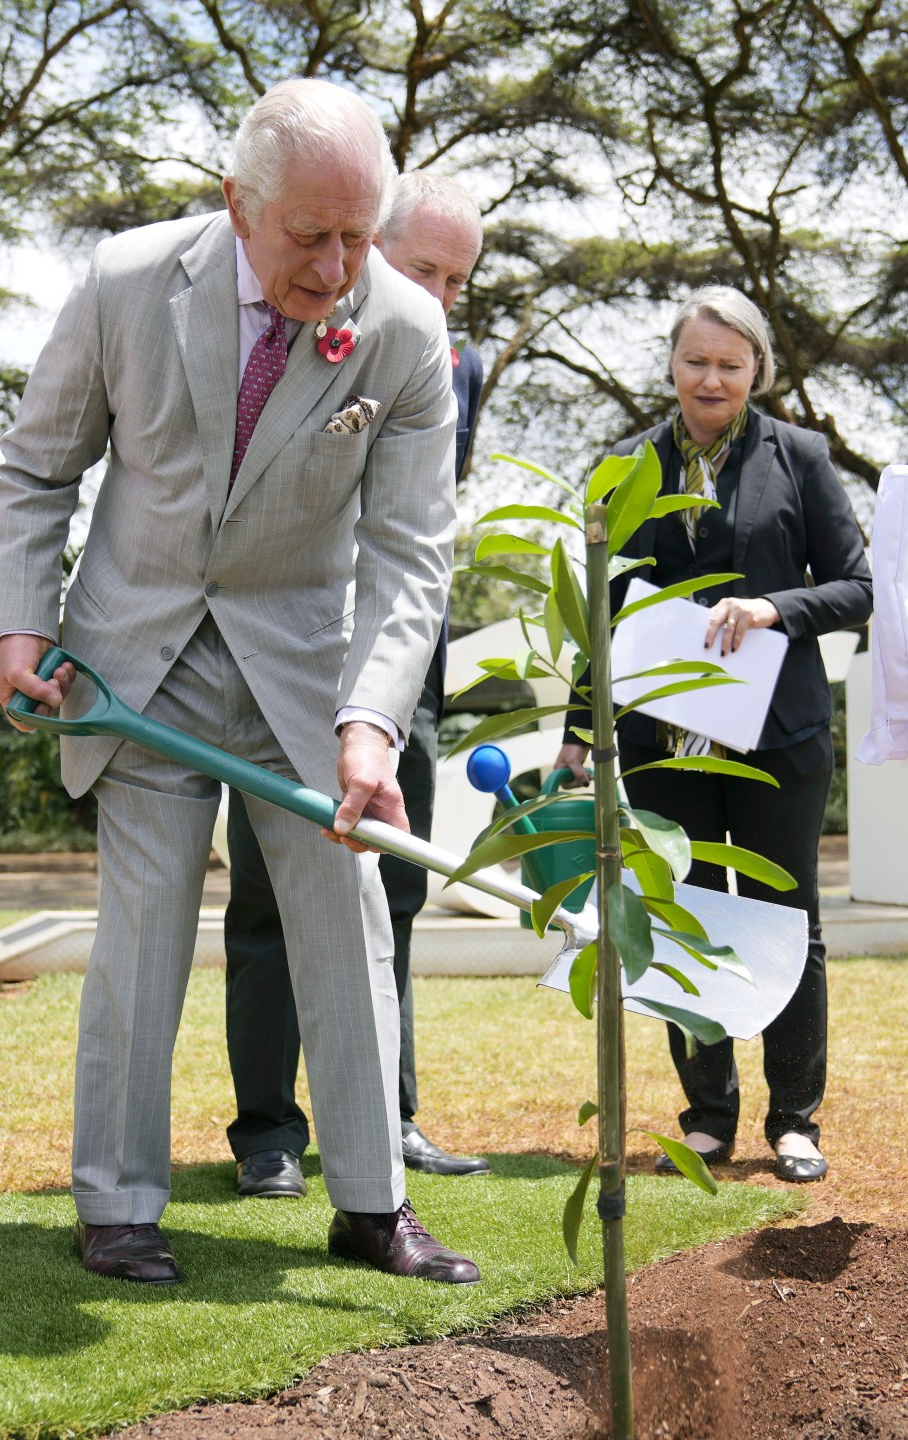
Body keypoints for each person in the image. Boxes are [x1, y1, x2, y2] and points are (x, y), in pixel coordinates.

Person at [0, 80, 476, 1287]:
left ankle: (372, 1201)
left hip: (308, 671)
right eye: (309, 235)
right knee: (141, 936)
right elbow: (35, 471)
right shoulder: (126, 282)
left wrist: (370, 724)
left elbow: (412, 555)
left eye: (359, 234)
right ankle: (117, 1204)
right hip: (134, 662)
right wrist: (17, 630)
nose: (337, 265)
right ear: (235, 204)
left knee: (347, 927)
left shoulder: (406, 334)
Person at [557, 286, 871, 1185]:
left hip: (779, 739)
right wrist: (581, 733)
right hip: (663, 738)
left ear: (758, 371)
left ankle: (795, 1121)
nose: (712, 378)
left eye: (731, 365)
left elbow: (857, 585)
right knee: (683, 914)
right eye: (696, 361)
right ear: (669, 364)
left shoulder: (800, 456)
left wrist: (774, 607)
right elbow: (600, 608)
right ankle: (706, 1115)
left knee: (785, 918)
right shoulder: (623, 468)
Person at [219, 170, 490, 1198]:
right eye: (422, 268)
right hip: (284, 650)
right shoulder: (302, 330)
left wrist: (398, 695)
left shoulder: (443, 360)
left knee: (395, 893)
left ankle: (389, 1117)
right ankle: (268, 1136)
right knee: (266, 903)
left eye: (457, 279)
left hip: (398, 670)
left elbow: (417, 537)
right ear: (370, 247)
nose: (438, 296)